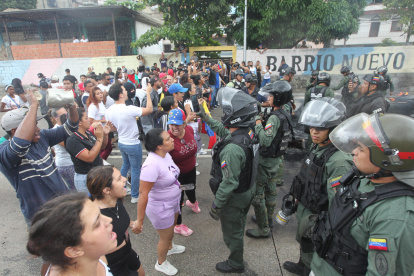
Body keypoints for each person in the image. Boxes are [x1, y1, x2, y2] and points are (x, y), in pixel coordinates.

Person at [310, 112, 414, 276]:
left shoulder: (395, 216)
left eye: (361, 148)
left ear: (384, 159)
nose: (354, 152)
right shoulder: (365, 179)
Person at [282, 98, 352, 275]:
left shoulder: (338, 160)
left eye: (320, 128)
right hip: (306, 206)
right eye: (311, 127)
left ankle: (308, 268)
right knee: (304, 241)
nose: (313, 132)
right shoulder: (319, 145)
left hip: (318, 215)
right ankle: (302, 264)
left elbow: (337, 203)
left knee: (313, 246)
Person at [198, 87, 259, 273]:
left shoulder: (232, 150)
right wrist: (207, 118)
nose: (225, 114)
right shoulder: (247, 132)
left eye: (227, 112)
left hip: (235, 197)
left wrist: (217, 205)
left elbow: (229, 183)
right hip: (248, 189)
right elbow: (226, 132)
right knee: (238, 226)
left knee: (232, 233)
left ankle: (236, 263)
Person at [0, 90, 79, 224]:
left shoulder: (42, 137)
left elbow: (71, 127)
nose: (38, 128)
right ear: (14, 131)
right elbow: (20, 144)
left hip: (65, 207)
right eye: (33, 125)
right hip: (41, 218)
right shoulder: (5, 152)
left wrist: (71, 106)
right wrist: (33, 106)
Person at [132, 128, 185, 276]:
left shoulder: (165, 155)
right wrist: (139, 221)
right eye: (168, 139)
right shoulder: (151, 165)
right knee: (165, 236)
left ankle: (170, 247)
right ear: (159, 146)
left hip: (172, 201)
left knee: (171, 228)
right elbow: (143, 193)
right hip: (160, 207)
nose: (172, 140)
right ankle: (161, 263)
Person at [246, 81, 293, 238]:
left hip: (266, 161)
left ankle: (263, 228)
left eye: (272, 95)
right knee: (271, 191)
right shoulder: (285, 112)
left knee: (258, 195)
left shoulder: (274, 118)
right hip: (276, 160)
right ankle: (268, 219)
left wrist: (258, 123)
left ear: (278, 98)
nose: (269, 97)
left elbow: (266, 140)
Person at [27, 193, 116, 276]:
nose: (109, 219)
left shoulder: (94, 255)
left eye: (100, 214)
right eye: (97, 224)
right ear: (74, 251)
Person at [87, 166, 145, 276]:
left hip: (128, 252)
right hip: (112, 263)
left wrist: (132, 224)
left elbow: (119, 219)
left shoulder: (116, 200)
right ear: (107, 190)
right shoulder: (94, 217)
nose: (124, 179)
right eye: (119, 179)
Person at [105, 83, 154, 204]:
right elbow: (149, 109)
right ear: (121, 95)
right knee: (136, 169)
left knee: (125, 166)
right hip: (132, 143)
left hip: (122, 142)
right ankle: (135, 195)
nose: (126, 91)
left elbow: (114, 128)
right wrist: (148, 92)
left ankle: (122, 188)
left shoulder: (109, 110)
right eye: (124, 90)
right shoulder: (128, 108)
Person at [167, 109, 199, 236]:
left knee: (191, 188)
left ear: (183, 123)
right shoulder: (167, 139)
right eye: (171, 124)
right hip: (177, 176)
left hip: (191, 169)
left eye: (177, 124)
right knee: (178, 199)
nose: (174, 127)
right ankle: (178, 225)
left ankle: (192, 202)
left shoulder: (190, 130)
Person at [66, 109, 111, 193]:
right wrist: (99, 138)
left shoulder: (88, 133)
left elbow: (102, 147)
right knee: (89, 204)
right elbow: (90, 158)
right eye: (86, 118)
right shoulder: (73, 140)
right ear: (79, 122)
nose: (89, 120)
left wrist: (105, 134)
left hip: (97, 174)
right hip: (85, 178)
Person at [51, 107, 76, 191]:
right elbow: (69, 146)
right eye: (63, 115)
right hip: (66, 164)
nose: (66, 117)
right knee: (75, 190)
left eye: (67, 114)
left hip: (72, 161)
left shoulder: (67, 127)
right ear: (55, 118)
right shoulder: (55, 131)